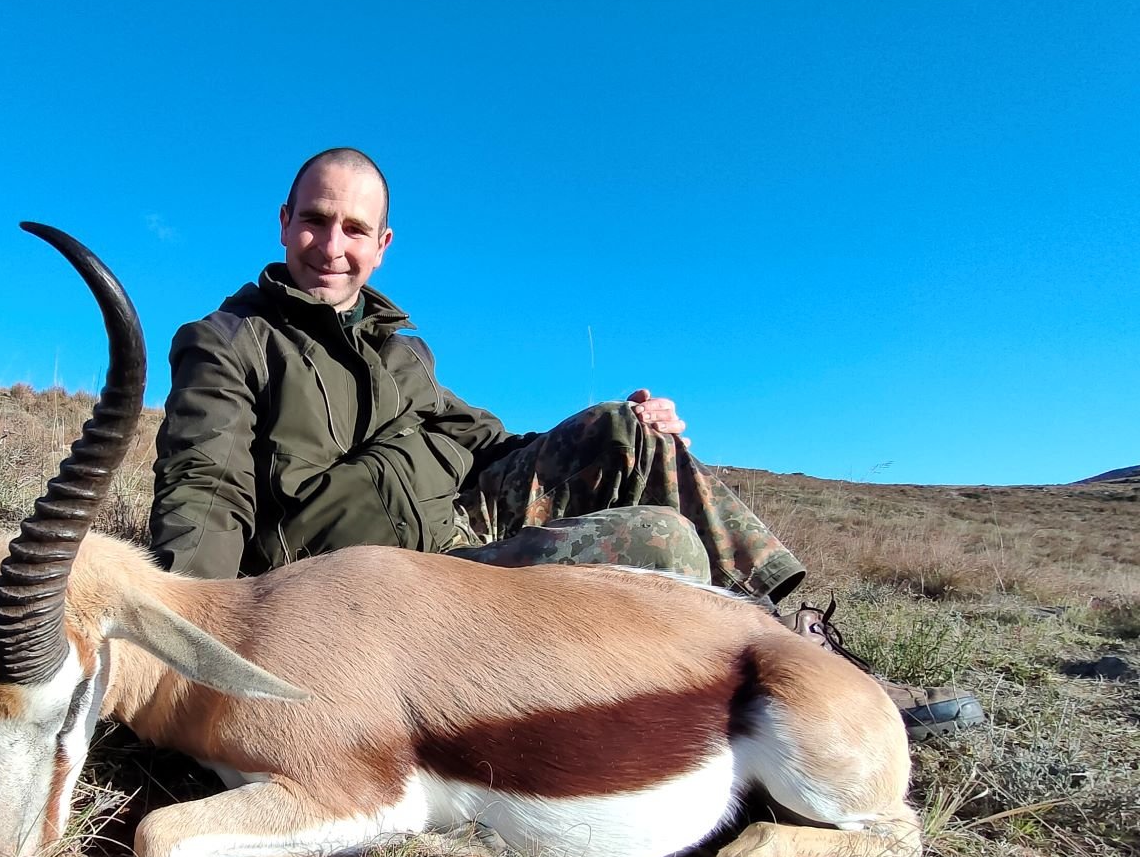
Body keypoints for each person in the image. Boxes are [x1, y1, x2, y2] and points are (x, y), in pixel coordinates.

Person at [148, 147, 982, 739]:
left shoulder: (403, 349)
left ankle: (808, 651)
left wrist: (625, 429)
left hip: (455, 542)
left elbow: (493, 446)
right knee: (658, 541)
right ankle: (746, 691)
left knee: (625, 432)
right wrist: (190, 643)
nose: (332, 247)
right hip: (366, 590)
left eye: (354, 229)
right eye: (316, 222)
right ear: (285, 221)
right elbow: (203, 488)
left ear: (383, 243)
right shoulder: (228, 342)